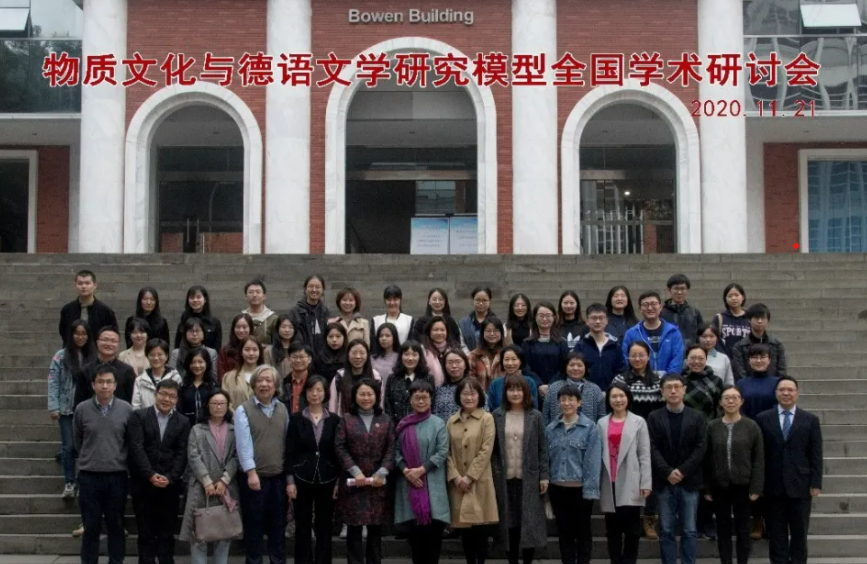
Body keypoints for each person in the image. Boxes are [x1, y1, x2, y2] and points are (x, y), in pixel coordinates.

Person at [756, 377, 823, 564]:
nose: (786, 393)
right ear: (776, 393)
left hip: (800, 485)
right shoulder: (763, 418)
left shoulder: (810, 420)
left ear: (797, 393)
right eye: (782, 389)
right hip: (773, 485)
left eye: (790, 390)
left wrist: (816, 482)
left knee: (799, 533)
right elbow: (759, 454)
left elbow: (816, 454)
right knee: (776, 534)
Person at [73, 364, 133, 564]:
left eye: (109, 382)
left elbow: (129, 441)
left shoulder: (126, 409)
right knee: (91, 526)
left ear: (115, 385)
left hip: (117, 476)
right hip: (89, 476)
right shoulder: (82, 409)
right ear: (93, 385)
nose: (104, 386)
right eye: (100, 382)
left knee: (116, 525)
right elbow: (78, 440)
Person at [127, 379, 191, 564]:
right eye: (163, 394)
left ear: (177, 399)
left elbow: (182, 453)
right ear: (155, 394)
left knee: (167, 532)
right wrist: (150, 474)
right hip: (143, 483)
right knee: (145, 531)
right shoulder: (139, 416)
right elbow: (136, 448)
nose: (166, 399)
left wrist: (171, 477)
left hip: (169, 485)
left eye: (172, 396)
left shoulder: (183, 421)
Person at [647, 373, 708, 564]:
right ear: (662, 391)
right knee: (666, 529)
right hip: (664, 481)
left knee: (689, 529)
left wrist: (682, 471)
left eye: (677, 387)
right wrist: (667, 472)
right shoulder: (654, 417)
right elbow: (651, 447)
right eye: (669, 387)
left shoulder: (697, 416)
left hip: (690, 481)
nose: (673, 391)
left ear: (684, 390)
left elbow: (701, 447)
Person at [335, 379, 397, 564]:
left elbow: (391, 449)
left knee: (375, 530)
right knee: (354, 530)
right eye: (362, 394)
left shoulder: (385, 420)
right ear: (355, 396)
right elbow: (340, 447)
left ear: (376, 396)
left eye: (370, 394)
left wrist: (382, 472)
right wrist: (355, 471)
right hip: (354, 483)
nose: (366, 398)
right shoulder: (346, 420)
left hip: (378, 483)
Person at [491, 375, 549, 564]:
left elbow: (542, 449)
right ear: (505, 393)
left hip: (529, 478)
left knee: (529, 523)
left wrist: (544, 476)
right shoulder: (497, 415)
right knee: (509, 524)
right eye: (511, 389)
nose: (515, 393)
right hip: (505, 479)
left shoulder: (535, 416)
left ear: (526, 392)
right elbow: (493, 450)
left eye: (519, 389)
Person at [235, 364, 290, 564]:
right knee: (254, 527)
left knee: (278, 527)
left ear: (276, 386)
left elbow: (286, 441)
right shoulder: (243, 410)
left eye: (269, 380)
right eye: (260, 380)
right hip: (254, 479)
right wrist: (251, 473)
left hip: (278, 478)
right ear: (253, 384)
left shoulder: (283, 409)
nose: (264, 384)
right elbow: (243, 445)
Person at [394, 379, 451, 564]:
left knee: (433, 539)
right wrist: (406, 471)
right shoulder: (403, 425)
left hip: (432, 486)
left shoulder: (438, 423)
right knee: (415, 540)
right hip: (409, 485)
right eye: (417, 397)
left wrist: (421, 470)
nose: (421, 401)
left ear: (431, 399)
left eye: (424, 397)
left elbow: (442, 451)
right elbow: (396, 452)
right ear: (410, 399)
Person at [705, 385, 764, 564]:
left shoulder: (751, 426)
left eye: (735, 397)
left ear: (741, 401)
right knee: (722, 529)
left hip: (743, 485)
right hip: (719, 485)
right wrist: (707, 487)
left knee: (743, 529)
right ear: (721, 402)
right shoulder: (712, 426)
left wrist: (756, 487)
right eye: (727, 398)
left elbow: (758, 459)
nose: (731, 401)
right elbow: (706, 459)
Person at [285, 376, 341, 564]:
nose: (314, 394)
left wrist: (338, 481)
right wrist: (290, 481)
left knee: (324, 526)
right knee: (302, 525)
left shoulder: (334, 420)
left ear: (325, 393)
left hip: (328, 478)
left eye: (319, 390)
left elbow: (338, 452)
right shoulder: (296, 419)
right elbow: (289, 452)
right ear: (305, 393)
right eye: (310, 390)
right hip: (302, 478)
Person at [180, 390, 240, 564]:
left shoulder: (234, 429)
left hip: (226, 487)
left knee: (224, 532)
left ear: (227, 406)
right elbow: (193, 456)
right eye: (214, 403)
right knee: (199, 533)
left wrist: (224, 480)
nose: (218, 407)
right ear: (207, 406)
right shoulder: (197, 429)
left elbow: (237, 456)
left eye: (222, 403)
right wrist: (206, 481)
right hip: (201, 487)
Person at [545, 383, 601, 564]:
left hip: (581, 489)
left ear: (579, 402)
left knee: (583, 532)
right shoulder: (550, 429)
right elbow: (546, 460)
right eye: (563, 400)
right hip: (557, 488)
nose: (566, 403)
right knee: (564, 533)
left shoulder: (590, 427)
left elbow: (593, 461)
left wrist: (590, 490)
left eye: (571, 399)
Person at [598, 381, 652, 564]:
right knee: (612, 530)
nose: (618, 400)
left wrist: (646, 483)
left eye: (622, 396)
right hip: (609, 481)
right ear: (608, 399)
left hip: (631, 480)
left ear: (628, 398)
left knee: (632, 530)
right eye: (614, 396)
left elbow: (644, 454)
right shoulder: (601, 423)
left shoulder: (639, 422)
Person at [446, 377, 498, 564]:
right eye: (465, 394)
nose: (469, 397)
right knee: (465, 530)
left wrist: (469, 477)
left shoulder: (487, 419)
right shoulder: (451, 421)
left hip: (479, 481)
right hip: (458, 483)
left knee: (480, 529)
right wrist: (455, 477)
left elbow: (486, 450)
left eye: (473, 393)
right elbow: (446, 452)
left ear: (480, 396)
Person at [49, 319, 96, 498]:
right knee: (68, 446)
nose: (80, 337)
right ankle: (69, 482)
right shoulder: (61, 356)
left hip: (88, 407)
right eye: (77, 333)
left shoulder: (94, 356)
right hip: (66, 408)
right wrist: (53, 406)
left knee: (85, 445)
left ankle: (84, 480)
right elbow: (53, 381)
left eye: (84, 334)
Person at [682, 344, 724, 540]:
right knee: (689, 480)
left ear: (706, 360)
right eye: (693, 358)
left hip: (708, 433)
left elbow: (719, 408)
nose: (696, 362)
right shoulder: (679, 380)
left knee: (707, 480)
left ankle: (706, 522)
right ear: (686, 359)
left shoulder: (715, 381)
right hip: (684, 435)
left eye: (700, 358)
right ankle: (688, 523)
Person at [621, 291, 684, 375]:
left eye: (653, 304)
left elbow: (677, 359)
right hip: (639, 380)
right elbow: (626, 359)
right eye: (645, 305)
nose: (650, 308)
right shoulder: (631, 334)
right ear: (640, 309)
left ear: (660, 307)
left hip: (668, 381)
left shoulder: (673, 332)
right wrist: (642, 376)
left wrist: (667, 378)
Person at [76, 326, 137, 406]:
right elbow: (79, 402)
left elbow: (131, 401)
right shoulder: (86, 370)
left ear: (118, 344)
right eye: (105, 340)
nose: (109, 344)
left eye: (113, 341)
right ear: (97, 342)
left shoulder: (127, 371)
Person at [573, 303, 626, 391]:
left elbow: (621, 371)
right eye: (594, 318)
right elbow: (575, 371)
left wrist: (612, 390)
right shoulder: (580, 346)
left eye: (601, 318)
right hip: (587, 393)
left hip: (611, 394)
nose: (597, 321)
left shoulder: (615, 345)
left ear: (607, 321)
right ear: (587, 321)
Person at [521, 302, 569, 398]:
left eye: (548, 315)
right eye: (541, 315)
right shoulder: (527, 343)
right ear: (535, 317)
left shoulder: (561, 342)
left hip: (558, 389)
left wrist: (551, 385)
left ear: (554, 317)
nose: (544, 319)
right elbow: (525, 367)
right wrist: (539, 385)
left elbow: (564, 367)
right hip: (533, 389)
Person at [59, 269, 118, 347]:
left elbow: (113, 334)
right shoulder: (67, 310)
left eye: (87, 283)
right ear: (75, 285)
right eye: (80, 283)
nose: (83, 286)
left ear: (95, 285)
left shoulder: (105, 311)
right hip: (71, 352)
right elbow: (63, 333)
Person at [384, 340, 438, 425]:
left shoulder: (428, 378)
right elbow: (388, 406)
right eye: (406, 354)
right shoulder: (392, 378)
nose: (410, 358)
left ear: (420, 357)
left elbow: (432, 404)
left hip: (422, 426)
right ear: (401, 356)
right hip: (398, 427)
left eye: (414, 354)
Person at [543, 352, 605, 425]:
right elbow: (545, 416)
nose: (575, 368)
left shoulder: (595, 390)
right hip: (558, 431)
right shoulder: (554, 388)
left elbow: (602, 417)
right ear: (565, 367)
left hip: (589, 431)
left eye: (579, 365)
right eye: (571, 365)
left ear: (585, 368)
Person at [731, 304, 787, 382]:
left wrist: (777, 384)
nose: (760, 321)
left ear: (768, 321)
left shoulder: (776, 345)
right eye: (756, 318)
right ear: (749, 320)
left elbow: (781, 370)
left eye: (763, 318)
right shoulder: (739, 347)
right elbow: (740, 372)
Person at [330, 339, 383, 417]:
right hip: (345, 421)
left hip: (371, 421)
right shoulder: (340, 377)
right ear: (348, 354)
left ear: (367, 355)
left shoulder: (376, 377)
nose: (358, 356)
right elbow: (333, 405)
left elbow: (380, 403)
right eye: (354, 353)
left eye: (362, 353)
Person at [132, 339, 182, 410]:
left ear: (166, 356)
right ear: (147, 356)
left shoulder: (175, 378)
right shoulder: (140, 380)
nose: (156, 358)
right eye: (152, 355)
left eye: (160, 354)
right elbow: (136, 406)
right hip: (145, 417)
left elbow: (178, 404)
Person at [487, 345, 539, 412]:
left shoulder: (529, 382)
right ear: (502, 361)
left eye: (514, 359)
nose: (510, 363)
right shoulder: (495, 383)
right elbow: (490, 409)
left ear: (520, 361)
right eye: (506, 359)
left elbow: (533, 409)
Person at [289, 275, 331, 356]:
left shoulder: (326, 311)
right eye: (311, 286)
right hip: (302, 357)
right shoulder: (295, 311)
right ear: (305, 289)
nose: (314, 290)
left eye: (318, 287)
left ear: (322, 290)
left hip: (323, 358)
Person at [737, 344, 781, 421]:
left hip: (771, 424)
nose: (758, 361)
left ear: (769, 360)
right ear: (749, 360)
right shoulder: (741, 383)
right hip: (747, 425)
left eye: (762, 357)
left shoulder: (778, 382)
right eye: (754, 357)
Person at [178, 348, 219, 427]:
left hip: (209, 428)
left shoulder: (213, 385)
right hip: (187, 428)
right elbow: (179, 410)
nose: (197, 365)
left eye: (200, 362)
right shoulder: (183, 386)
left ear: (207, 363)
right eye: (193, 362)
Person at [660, 274, 704, 347]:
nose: (679, 292)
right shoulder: (661, 313)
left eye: (683, 289)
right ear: (669, 290)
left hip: (690, 352)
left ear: (687, 290)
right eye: (676, 288)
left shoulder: (695, 313)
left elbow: (700, 335)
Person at [174, 285, 222, 351]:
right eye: (192, 297)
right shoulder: (183, 320)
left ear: (205, 300)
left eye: (198, 297)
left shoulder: (215, 322)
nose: (195, 300)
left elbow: (217, 348)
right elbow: (177, 346)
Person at [222, 336, 263, 410]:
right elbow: (225, 402)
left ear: (260, 352)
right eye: (247, 350)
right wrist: (238, 416)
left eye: (255, 350)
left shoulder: (267, 376)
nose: (251, 353)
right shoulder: (228, 377)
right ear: (241, 352)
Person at [713, 283, 751, 357]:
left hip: (746, 359)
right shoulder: (719, 318)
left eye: (737, 295)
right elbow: (714, 340)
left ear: (743, 297)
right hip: (725, 359)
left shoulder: (750, 318)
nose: (733, 298)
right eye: (730, 296)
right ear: (725, 299)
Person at [468, 317, 505, 390]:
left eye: (496, 331)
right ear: (482, 333)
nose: (492, 334)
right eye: (488, 331)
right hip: (480, 395)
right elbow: (470, 380)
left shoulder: (507, 354)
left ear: (501, 333)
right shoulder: (474, 355)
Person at [421, 317, 458, 387]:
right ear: (429, 331)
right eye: (435, 330)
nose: (439, 333)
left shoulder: (455, 350)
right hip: (428, 388)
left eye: (442, 330)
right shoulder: (422, 351)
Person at [434, 348, 470, 421]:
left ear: (465, 365)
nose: (454, 366)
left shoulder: (474, 388)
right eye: (450, 362)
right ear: (444, 366)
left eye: (458, 362)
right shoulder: (438, 390)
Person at [278, 343, 314, 414]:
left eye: (302, 357)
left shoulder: (316, 383)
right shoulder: (283, 383)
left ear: (309, 359)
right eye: (294, 357)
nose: (298, 360)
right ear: (289, 359)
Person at [458, 287, 496, 353]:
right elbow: (462, 344)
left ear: (490, 301)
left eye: (484, 300)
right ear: (473, 301)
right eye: (478, 300)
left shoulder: (497, 322)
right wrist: (470, 356)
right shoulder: (463, 323)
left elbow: (499, 344)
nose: (481, 303)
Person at [218, 313, 254, 382]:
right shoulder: (225, 350)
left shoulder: (256, 349)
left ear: (250, 328)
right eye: (238, 327)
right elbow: (221, 375)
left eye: (244, 327)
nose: (241, 330)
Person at [243, 279, 278, 346]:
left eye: (258, 292)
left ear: (264, 296)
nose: (254, 295)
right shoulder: (241, 318)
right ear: (246, 296)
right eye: (251, 292)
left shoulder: (273, 319)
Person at [264, 314, 298, 379]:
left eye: (290, 327)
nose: (287, 330)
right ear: (278, 329)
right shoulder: (268, 351)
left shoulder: (299, 349)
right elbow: (266, 372)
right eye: (283, 327)